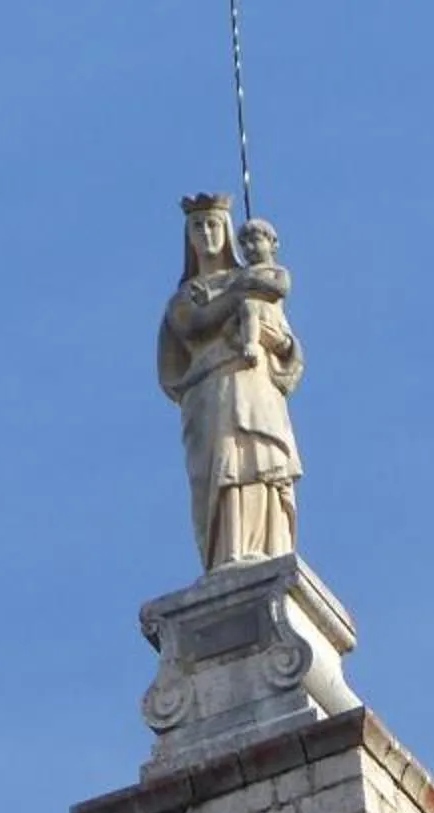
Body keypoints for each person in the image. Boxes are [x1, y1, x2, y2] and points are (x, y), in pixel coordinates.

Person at [158, 196, 304, 571]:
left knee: (261, 458)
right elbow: (193, 323)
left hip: (256, 385)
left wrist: (282, 343)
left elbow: (285, 344)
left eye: (212, 225)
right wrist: (240, 292)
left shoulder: (254, 282)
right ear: (188, 238)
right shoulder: (188, 295)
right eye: (197, 227)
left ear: (225, 232)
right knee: (221, 466)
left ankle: (268, 544)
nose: (206, 233)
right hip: (211, 390)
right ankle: (228, 550)